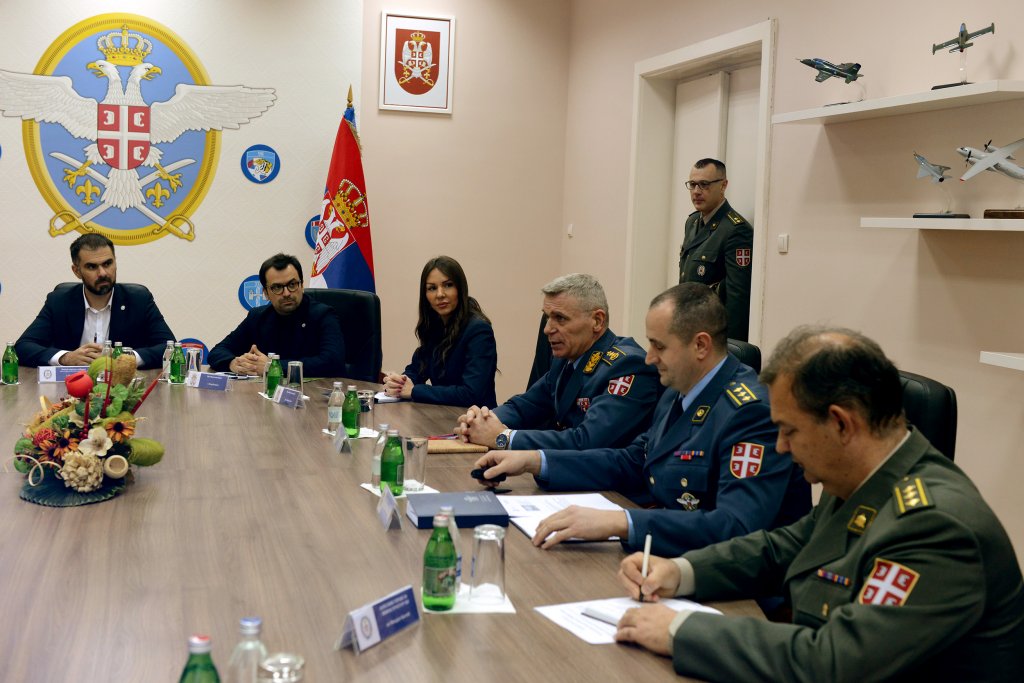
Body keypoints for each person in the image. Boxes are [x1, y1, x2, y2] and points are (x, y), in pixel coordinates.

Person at [615, 326, 1024, 681]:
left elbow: (836, 663)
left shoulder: (934, 526)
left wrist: (681, 630)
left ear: (841, 424)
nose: (780, 446)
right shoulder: (860, 478)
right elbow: (781, 548)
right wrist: (680, 572)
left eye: (789, 430)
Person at [473, 284, 809, 556]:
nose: (649, 358)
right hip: (664, 554)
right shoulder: (679, 390)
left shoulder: (750, 412)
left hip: (733, 589)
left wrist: (623, 522)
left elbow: (736, 527)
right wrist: (534, 460)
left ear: (700, 346)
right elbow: (634, 460)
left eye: (659, 346)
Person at [456, 273, 660, 451]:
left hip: (609, 483)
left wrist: (505, 437)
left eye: (560, 318)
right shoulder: (565, 360)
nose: (547, 329)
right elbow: (525, 406)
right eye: (547, 318)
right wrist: (482, 420)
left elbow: (587, 441)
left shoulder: (627, 366)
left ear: (597, 321)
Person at [15, 233, 175, 368]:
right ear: (77, 271)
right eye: (92, 267)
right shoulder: (59, 301)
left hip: (123, 388)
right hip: (70, 388)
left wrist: (126, 358)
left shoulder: (139, 300)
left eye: (108, 263)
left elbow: (171, 348)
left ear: (115, 262)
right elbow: (22, 348)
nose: (103, 273)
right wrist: (66, 358)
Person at [382, 256, 497, 407]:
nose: (440, 294)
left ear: (460, 289)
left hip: (475, 418)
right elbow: (417, 369)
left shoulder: (478, 330)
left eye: (448, 285)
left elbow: (471, 394)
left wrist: (415, 390)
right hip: (442, 414)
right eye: (432, 288)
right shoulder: (435, 325)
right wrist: (399, 382)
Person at [208, 253, 344, 377]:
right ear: (266, 293)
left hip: (312, 393)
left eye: (292, 284)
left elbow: (333, 361)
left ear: (302, 285)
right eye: (277, 287)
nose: (286, 293)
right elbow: (217, 351)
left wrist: (273, 366)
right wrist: (233, 363)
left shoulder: (323, 315)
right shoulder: (258, 317)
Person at [678, 158, 752, 341]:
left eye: (704, 184)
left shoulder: (735, 230)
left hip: (712, 336)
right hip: (689, 327)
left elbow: (737, 300)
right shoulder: (692, 222)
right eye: (693, 184)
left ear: (723, 185)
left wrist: (730, 348)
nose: (696, 191)